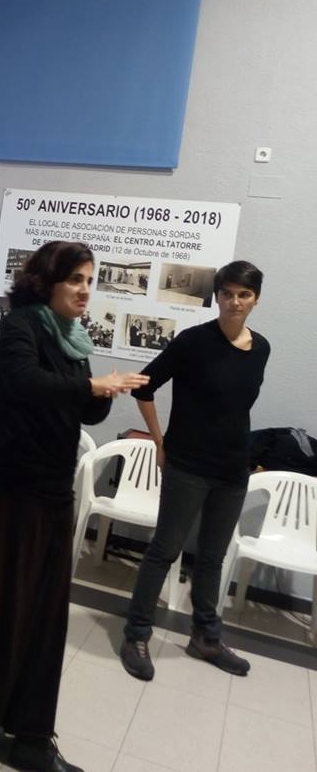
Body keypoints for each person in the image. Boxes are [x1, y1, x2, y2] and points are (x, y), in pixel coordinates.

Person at [0, 241, 149, 772]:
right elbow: (23, 385)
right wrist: (89, 385)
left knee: (43, 620)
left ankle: (30, 737)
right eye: (76, 279)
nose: (85, 290)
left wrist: (103, 392)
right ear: (48, 281)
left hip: (51, 492)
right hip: (11, 490)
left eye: (90, 280)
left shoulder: (73, 335)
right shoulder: (21, 325)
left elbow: (81, 408)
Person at [119, 260, 270, 680]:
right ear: (217, 296)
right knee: (164, 550)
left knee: (212, 558)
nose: (235, 302)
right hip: (187, 464)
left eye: (244, 294)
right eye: (228, 293)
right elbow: (145, 386)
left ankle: (205, 637)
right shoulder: (193, 341)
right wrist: (159, 441)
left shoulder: (261, 348)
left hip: (232, 469)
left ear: (256, 299)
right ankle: (136, 634)